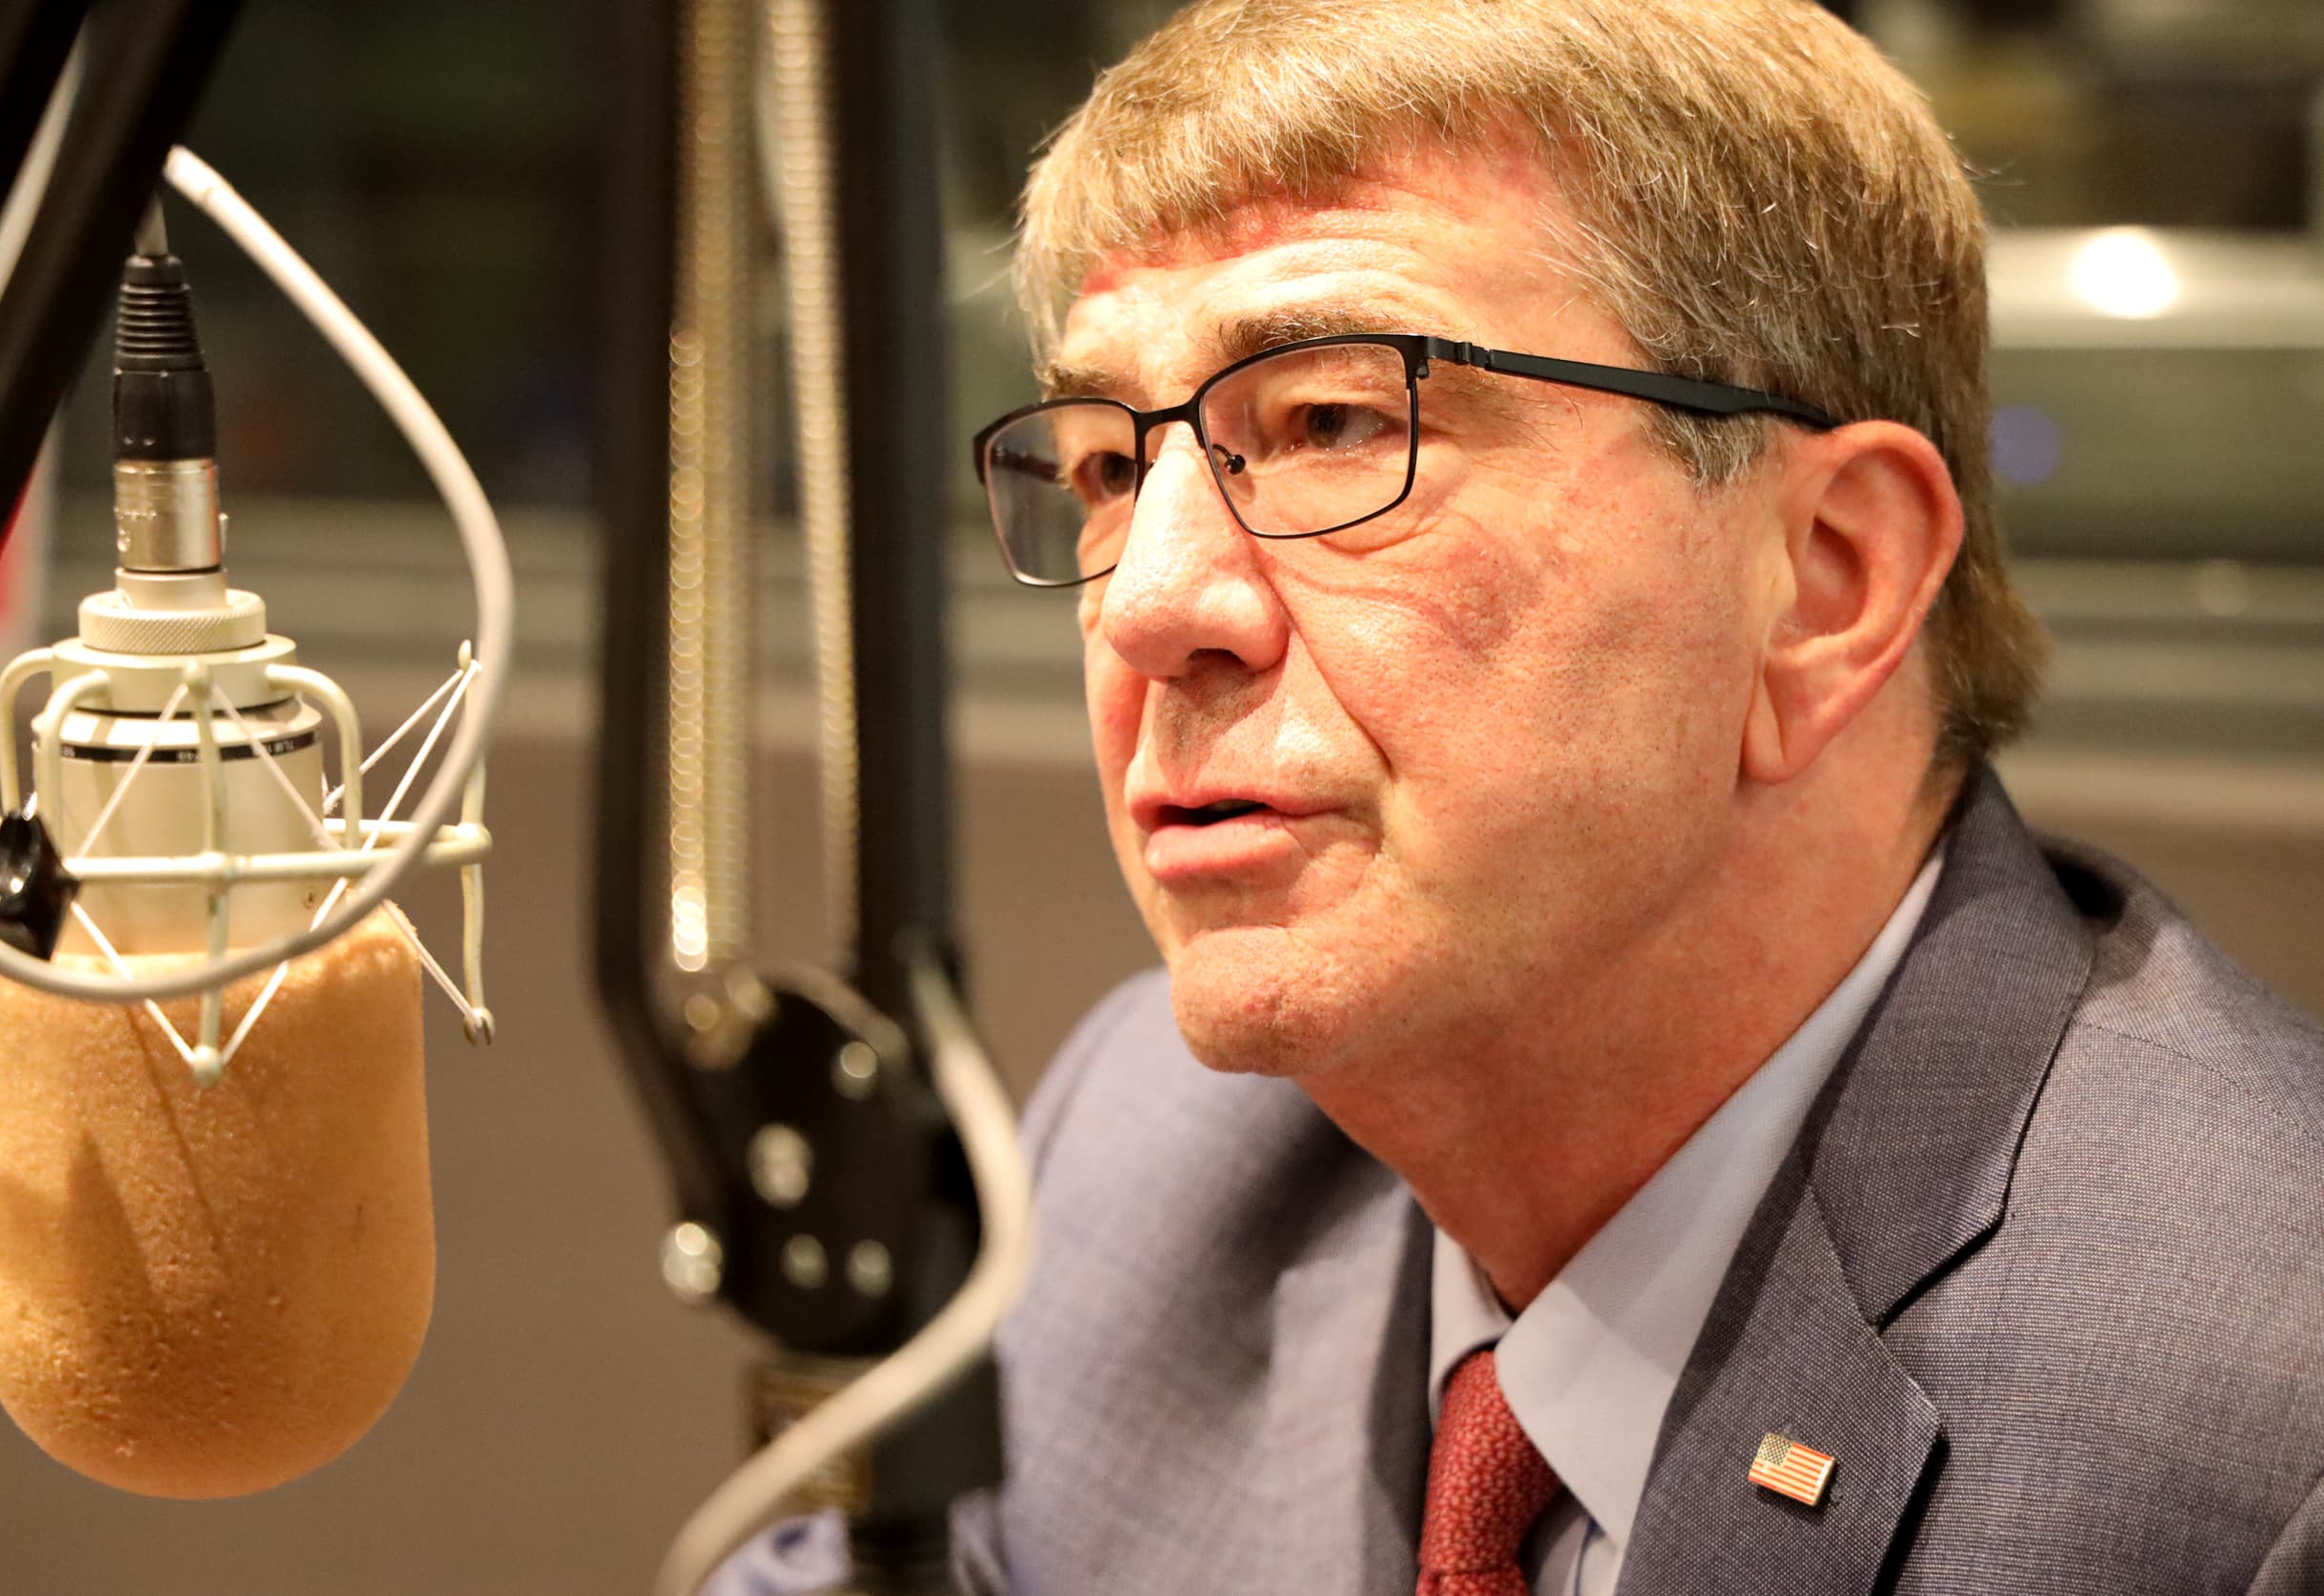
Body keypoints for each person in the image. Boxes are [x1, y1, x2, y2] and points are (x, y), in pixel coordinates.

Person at [723, 1, 2324, 1591]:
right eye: (1109, 466)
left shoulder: (2267, 1426)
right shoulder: (1140, 1151)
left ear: (1823, 583)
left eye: (1335, 422)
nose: (1147, 606)